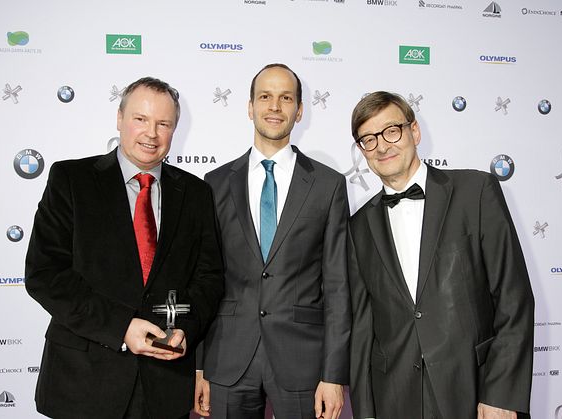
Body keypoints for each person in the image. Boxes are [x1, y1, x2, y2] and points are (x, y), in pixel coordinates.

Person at [25, 77, 224, 419]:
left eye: (164, 124)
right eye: (141, 119)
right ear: (119, 119)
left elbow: (208, 279)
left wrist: (184, 330)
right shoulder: (72, 180)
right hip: (82, 385)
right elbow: (46, 275)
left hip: (164, 387)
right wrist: (121, 327)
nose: (152, 133)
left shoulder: (196, 192)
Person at [347, 91, 534, 419]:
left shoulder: (476, 192)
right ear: (362, 151)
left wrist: (502, 395)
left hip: (474, 393)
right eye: (368, 139)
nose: (382, 145)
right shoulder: (358, 226)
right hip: (394, 398)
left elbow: (513, 300)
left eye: (392, 130)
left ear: (414, 131)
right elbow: (363, 330)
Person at [194, 63, 351, 419]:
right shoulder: (215, 183)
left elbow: (339, 286)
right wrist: (200, 367)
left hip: (304, 363)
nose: (275, 107)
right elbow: (204, 280)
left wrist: (333, 374)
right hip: (227, 359)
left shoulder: (328, 185)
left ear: (300, 112)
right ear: (250, 107)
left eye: (286, 98)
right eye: (265, 97)